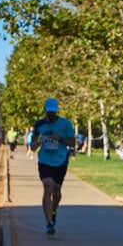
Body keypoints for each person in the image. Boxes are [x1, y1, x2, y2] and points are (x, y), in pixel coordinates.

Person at [30, 98, 76, 235]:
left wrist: (60, 139)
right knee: (48, 187)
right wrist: (34, 145)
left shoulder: (65, 124)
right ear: (45, 110)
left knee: (56, 190)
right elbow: (34, 140)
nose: (51, 114)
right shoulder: (39, 124)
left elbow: (73, 143)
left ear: (56, 111)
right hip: (45, 161)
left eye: (53, 112)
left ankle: (54, 211)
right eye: (49, 112)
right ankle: (49, 223)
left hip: (60, 161)